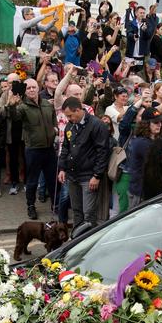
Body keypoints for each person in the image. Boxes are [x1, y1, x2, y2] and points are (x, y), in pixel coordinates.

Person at [6, 77, 57, 220]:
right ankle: (31, 206)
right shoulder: (22, 107)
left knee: (52, 180)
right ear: (25, 91)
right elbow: (14, 117)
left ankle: (55, 205)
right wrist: (11, 105)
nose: (32, 90)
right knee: (32, 181)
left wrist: (56, 129)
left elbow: (54, 120)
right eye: (28, 88)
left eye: (34, 87)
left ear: (38, 88)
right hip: (33, 149)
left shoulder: (47, 104)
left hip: (49, 149)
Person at [57, 96, 109, 229]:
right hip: (73, 175)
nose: (68, 119)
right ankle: (76, 240)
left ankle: (87, 243)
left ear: (78, 110)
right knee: (77, 211)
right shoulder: (70, 125)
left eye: (70, 115)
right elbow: (66, 148)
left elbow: (103, 153)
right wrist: (62, 168)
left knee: (88, 214)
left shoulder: (97, 125)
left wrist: (97, 176)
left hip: (88, 177)